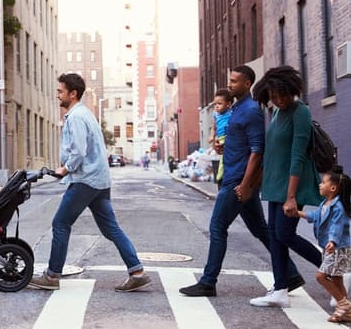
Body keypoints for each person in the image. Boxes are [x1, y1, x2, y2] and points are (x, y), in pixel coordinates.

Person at [180, 65, 304, 297]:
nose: (230, 84)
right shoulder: (236, 109)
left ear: (247, 84)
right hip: (237, 177)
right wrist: (221, 146)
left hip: (237, 181)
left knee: (217, 227)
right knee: (261, 229)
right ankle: (291, 274)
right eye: (230, 80)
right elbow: (241, 144)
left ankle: (208, 281)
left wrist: (246, 185)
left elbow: (257, 151)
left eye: (235, 81)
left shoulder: (251, 111)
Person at [29, 73, 151, 292]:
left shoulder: (76, 117)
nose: (58, 95)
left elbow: (78, 151)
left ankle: (52, 275)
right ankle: (137, 272)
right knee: (110, 228)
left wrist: (65, 169)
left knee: (61, 223)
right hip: (99, 180)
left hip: (85, 179)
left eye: (60, 91)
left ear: (72, 93)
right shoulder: (86, 114)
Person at [249, 66, 323, 308]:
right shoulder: (278, 113)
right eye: (274, 95)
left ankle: (334, 270)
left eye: (283, 95)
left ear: (292, 90)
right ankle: (280, 288)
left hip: (293, 185)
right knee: (275, 236)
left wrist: (291, 196)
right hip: (275, 184)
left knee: (284, 233)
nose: (278, 100)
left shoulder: (300, 112)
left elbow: (297, 155)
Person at [296, 166, 351, 322]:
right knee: (336, 279)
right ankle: (345, 311)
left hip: (338, 248)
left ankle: (344, 304)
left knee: (321, 276)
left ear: (332, 188)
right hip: (331, 248)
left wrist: (333, 241)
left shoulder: (338, 207)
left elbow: (337, 226)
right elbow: (315, 216)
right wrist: (297, 213)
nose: (320, 185)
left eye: (323, 182)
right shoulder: (325, 203)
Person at [209, 88, 233, 184]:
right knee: (221, 157)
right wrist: (212, 136)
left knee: (224, 158)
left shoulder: (231, 113)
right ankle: (220, 176)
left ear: (228, 104)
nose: (216, 106)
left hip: (227, 137)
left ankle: (220, 176)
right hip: (219, 138)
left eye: (219, 104)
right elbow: (213, 127)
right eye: (215, 104)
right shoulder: (216, 115)